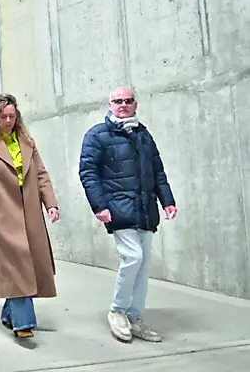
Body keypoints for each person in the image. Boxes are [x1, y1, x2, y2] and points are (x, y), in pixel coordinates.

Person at [79, 86, 177, 343]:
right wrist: (99, 206)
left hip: (145, 209)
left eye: (128, 101)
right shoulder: (97, 135)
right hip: (118, 210)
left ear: (135, 104)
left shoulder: (143, 135)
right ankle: (117, 311)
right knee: (133, 257)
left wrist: (167, 200)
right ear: (109, 104)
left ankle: (135, 317)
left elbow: (157, 171)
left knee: (143, 265)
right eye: (117, 101)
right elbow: (88, 172)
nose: (123, 104)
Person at [0, 93, 60, 338]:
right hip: (1, 213)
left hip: (29, 211)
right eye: (4, 116)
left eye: (12, 116)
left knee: (29, 264)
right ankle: (23, 322)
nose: (8, 120)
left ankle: (9, 312)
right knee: (15, 265)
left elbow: (41, 175)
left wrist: (51, 203)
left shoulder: (27, 141)